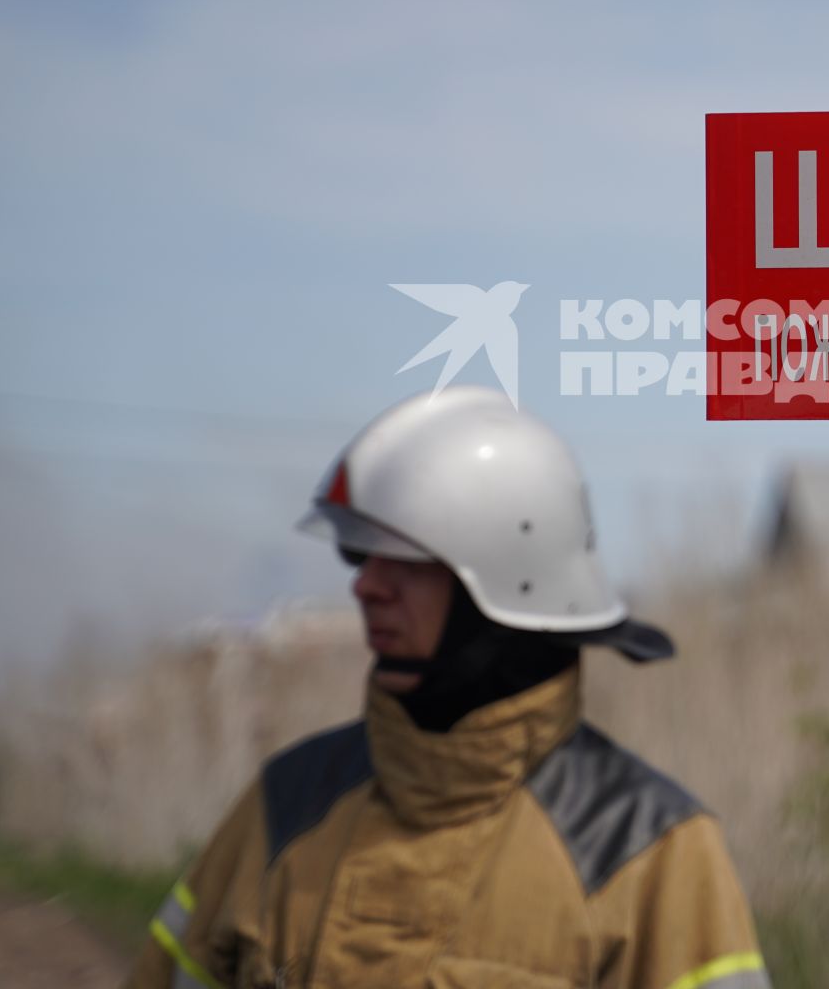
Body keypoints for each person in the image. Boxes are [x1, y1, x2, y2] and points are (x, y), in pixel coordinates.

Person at [125, 387, 769, 989]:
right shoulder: (283, 804)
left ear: (509, 583)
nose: (365, 585)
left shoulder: (646, 848)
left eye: (403, 558)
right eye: (361, 555)